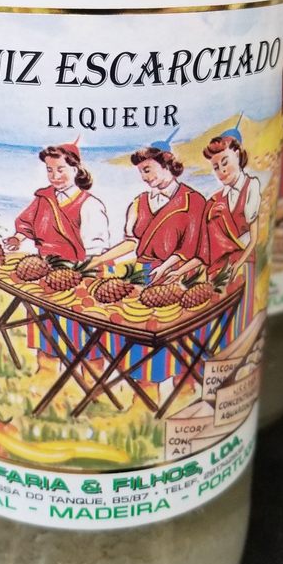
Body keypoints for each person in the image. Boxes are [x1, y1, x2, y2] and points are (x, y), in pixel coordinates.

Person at [91, 139, 206, 398]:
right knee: (129, 324)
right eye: (140, 172)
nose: (144, 177)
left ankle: (174, 390)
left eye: (147, 169)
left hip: (177, 276)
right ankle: (136, 388)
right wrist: (97, 260)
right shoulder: (140, 202)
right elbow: (131, 242)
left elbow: (192, 248)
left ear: (166, 165)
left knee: (164, 332)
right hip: (143, 273)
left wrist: (165, 268)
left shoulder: (193, 201)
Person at [5, 142, 109, 381]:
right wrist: (17, 238)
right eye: (50, 170)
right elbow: (28, 223)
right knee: (47, 329)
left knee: (85, 332)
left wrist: (78, 274)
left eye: (60, 169)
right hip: (47, 274)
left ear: (76, 169)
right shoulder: (43, 198)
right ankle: (46, 375)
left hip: (82, 274)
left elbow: (96, 247)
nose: (55, 176)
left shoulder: (90, 204)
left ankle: (92, 382)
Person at [199, 127, 261, 336]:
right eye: (216, 167)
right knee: (212, 323)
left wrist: (238, 265)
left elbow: (254, 239)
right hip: (217, 269)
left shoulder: (251, 186)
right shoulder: (215, 199)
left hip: (243, 264)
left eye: (225, 162)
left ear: (237, 153)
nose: (221, 171)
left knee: (239, 323)